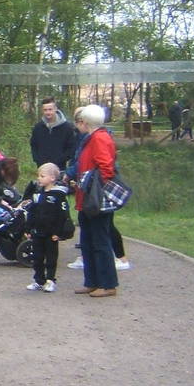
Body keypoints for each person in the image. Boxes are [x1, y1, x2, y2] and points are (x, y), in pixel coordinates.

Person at [71, 103, 119, 298]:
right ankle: (91, 281)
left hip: (96, 199)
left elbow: (106, 168)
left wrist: (94, 187)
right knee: (88, 240)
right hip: (86, 197)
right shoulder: (91, 139)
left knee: (100, 241)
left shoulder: (99, 139)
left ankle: (107, 284)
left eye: (80, 121)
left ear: (85, 122)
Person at [24, 162, 71, 293]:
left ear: (52, 178)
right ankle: (39, 280)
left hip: (51, 233)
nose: (39, 178)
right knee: (37, 257)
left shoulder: (58, 195)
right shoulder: (37, 195)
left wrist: (59, 232)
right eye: (38, 176)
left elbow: (63, 214)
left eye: (42, 176)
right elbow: (32, 212)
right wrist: (28, 228)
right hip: (38, 232)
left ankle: (50, 280)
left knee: (51, 257)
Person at [29, 98, 78, 170]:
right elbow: (33, 145)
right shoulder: (38, 127)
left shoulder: (67, 127)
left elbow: (71, 147)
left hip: (59, 167)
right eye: (45, 110)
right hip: (42, 167)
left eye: (50, 109)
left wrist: (61, 159)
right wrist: (37, 159)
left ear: (55, 109)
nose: (48, 112)